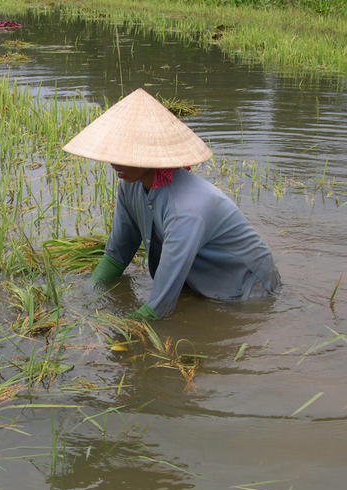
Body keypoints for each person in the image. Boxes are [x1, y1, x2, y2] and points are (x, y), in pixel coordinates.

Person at [63, 88, 281, 320]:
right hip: (198, 279)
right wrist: (80, 301)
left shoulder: (186, 210)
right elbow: (117, 254)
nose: (114, 162)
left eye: (125, 154)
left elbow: (159, 307)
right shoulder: (131, 185)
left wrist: (121, 331)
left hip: (245, 289)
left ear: (151, 154)